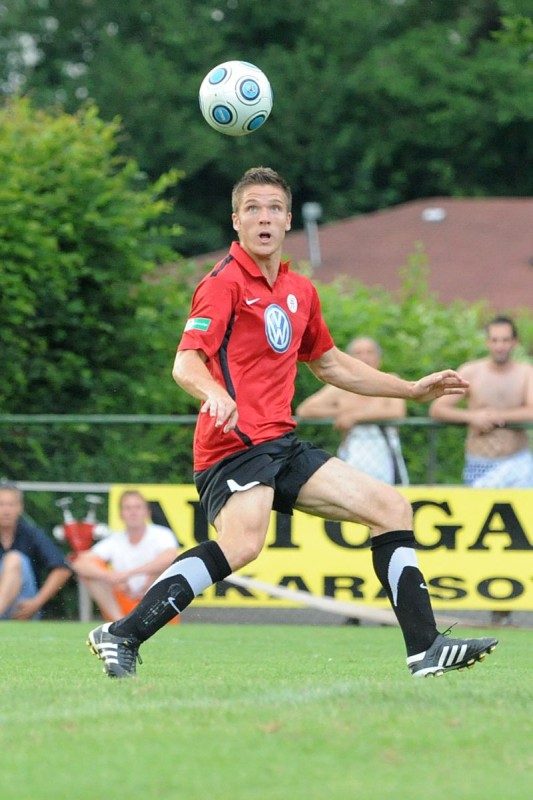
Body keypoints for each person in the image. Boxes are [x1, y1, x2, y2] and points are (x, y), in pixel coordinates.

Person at [86, 166, 498, 678]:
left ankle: (425, 649)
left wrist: (410, 389)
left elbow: (330, 364)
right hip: (234, 445)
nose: (264, 218)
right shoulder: (222, 284)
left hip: (281, 443)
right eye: (253, 209)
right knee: (243, 545)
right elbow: (185, 361)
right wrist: (214, 393)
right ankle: (122, 634)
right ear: (236, 221)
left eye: (275, 209)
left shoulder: (299, 290)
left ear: (287, 222)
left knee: (391, 508)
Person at [430, 314, 533, 625]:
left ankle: (508, 605)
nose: (500, 345)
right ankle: (484, 597)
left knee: (518, 536)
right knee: (480, 535)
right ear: (488, 342)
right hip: (479, 464)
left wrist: (499, 417)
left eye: (506, 340)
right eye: (495, 339)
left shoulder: (526, 373)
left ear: (515, 342)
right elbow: (438, 408)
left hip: (518, 462)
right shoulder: (471, 372)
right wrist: (472, 417)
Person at [296, 336, 409, 485]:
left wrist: (355, 416)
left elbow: (397, 412)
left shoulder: (390, 380)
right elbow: (305, 410)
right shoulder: (340, 387)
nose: (364, 357)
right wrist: (341, 413)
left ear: (379, 358)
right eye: (358, 353)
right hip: (352, 453)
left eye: (369, 352)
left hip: (386, 455)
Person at [73, 489, 180, 622]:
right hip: (126, 603)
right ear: (121, 515)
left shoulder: (162, 534)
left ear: (147, 513)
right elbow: (80, 563)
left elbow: (170, 557)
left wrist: (129, 575)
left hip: (156, 604)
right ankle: (121, 625)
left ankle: (134, 624)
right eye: (128, 508)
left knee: (163, 570)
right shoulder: (115, 539)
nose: (133, 512)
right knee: (93, 575)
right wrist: (111, 577)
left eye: (137, 507)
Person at [0, 481, 72, 620]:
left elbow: (62, 569)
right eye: (1, 504)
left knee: (14, 559)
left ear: (20, 507)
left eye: (11, 504)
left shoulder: (31, 534)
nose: (6, 510)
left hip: (22, 608)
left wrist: (37, 603)